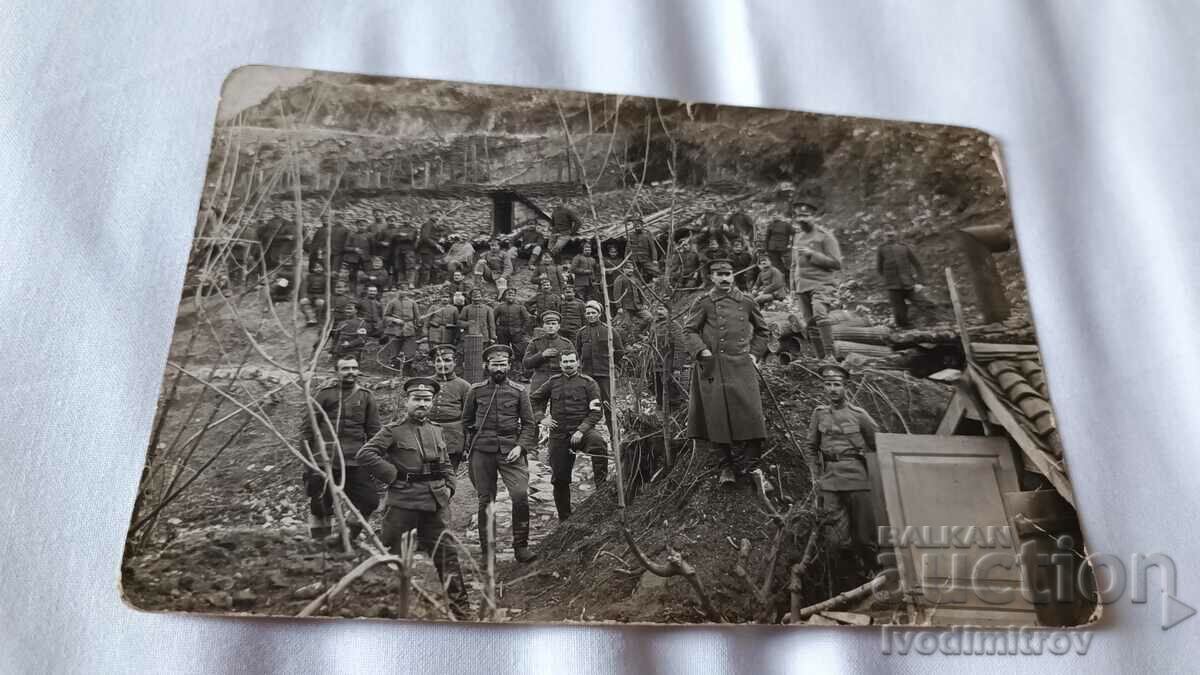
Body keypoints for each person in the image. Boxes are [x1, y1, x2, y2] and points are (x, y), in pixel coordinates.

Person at [356, 377, 469, 617]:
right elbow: (366, 454)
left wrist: (450, 486)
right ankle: (389, 609)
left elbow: (446, 463)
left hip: (435, 505)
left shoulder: (437, 430)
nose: (422, 404)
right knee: (393, 557)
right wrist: (392, 475)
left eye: (427, 400)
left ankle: (461, 611)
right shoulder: (392, 431)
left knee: (447, 555)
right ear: (407, 401)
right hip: (403, 505)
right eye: (417, 399)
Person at [684, 258, 770, 487]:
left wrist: (754, 354)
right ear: (711, 277)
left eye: (728, 273)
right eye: (719, 274)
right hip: (715, 366)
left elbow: (763, 331)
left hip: (742, 365)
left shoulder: (747, 301)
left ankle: (752, 465)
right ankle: (726, 467)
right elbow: (689, 330)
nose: (724, 278)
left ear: (733, 276)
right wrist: (701, 351)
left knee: (751, 413)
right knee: (718, 416)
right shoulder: (704, 303)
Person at [462, 345, 539, 563]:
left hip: (510, 450)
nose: (499, 368)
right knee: (485, 500)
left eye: (503, 364)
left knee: (520, 495)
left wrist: (520, 447)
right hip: (482, 451)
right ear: (486, 366)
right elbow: (466, 421)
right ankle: (488, 552)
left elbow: (529, 424)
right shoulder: (475, 391)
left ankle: (521, 546)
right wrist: (472, 446)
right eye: (495, 364)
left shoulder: (519, 391)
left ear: (509, 365)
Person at [806, 363, 879, 585]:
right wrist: (815, 476)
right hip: (830, 483)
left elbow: (876, 444)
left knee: (865, 538)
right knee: (836, 540)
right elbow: (811, 448)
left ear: (845, 387)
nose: (832, 389)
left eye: (836, 384)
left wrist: (872, 474)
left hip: (857, 480)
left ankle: (875, 574)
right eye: (828, 385)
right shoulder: (818, 415)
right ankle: (848, 581)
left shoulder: (860, 415)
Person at [300, 356, 381, 543]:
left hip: (356, 460)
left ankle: (346, 539)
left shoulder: (366, 396)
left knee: (369, 501)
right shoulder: (324, 395)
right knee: (320, 505)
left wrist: (375, 462)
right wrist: (308, 462)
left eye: (354, 368)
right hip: (325, 460)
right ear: (336, 372)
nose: (351, 372)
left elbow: (375, 432)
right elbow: (307, 430)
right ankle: (320, 545)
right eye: (345, 369)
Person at [529, 349, 607, 519]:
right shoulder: (553, 382)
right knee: (559, 478)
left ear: (578, 363)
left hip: (583, 431)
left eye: (572, 361)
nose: (569, 365)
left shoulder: (589, 383)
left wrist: (581, 429)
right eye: (565, 362)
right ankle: (565, 518)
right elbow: (534, 399)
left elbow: (596, 412)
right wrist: (541, 418)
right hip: (559, 434)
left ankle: (603, 493)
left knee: (599, 443)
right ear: (560, 363)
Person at [794, 215, 843, 359]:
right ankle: (820, 358)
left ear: (814, 217)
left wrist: (812, 254)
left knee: (820, 314)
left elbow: (836, 263)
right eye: (799, 217)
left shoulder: (825, 236)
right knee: (810, 322)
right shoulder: (798, 237)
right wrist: (793, 286)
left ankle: (830, 355)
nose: (803, 220)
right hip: (802, 286)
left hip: (821, 283)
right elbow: (794, 264)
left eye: (806, 216)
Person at [574, 300, 623, 443]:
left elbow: (619, 351)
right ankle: (588, 439)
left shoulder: (609, 330)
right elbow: (577, 352)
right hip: (587, 376)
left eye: (593, 313)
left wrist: (612, 365)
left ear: (600, 314)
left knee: (608, 407)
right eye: (588, 313)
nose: (590, 315)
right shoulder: (581, 332)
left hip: (605, 375)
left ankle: (615, 441)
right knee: (588, 406)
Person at [428, 345, 472, 471]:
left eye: (447, 360)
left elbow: (469, 419)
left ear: (454, 362)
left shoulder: (464, 386)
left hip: (453, 438)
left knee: (448, 475)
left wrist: (467, 446)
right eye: (438, 361)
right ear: (433, 363)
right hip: (427, 435)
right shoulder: (425, 384)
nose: (443, 364)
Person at [875, 226, 926, 328]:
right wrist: (889, 280)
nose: (890, 237)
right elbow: (879, 268)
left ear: (896, 234)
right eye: (887, 235)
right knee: (900, 316)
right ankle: (905, 333)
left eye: (892, 235)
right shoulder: (881, 249)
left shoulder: (904, 247)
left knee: (924, 304)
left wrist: (920, 282)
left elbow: (917, 265)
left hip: (908, 285)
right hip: (893, 287)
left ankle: (925, 324)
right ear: (884, 236)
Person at [523, 311, 574, 393]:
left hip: (560, 378)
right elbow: (526, 364)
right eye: (547, 324)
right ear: (543, 326)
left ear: (558, 326)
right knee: (535, 402)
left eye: (553, 324)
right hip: (540, 378)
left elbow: (576, 365)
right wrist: (542, 355)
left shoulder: (566, 343)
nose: (550, 326)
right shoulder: (535, 342)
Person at [494, 288, 532, 374]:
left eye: (512, 295)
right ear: (505, 296)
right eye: (508, 295)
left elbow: (527, 320)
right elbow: (493, 319)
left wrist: (522, 330)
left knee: (519, 351)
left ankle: (518, 370)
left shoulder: (520, 307)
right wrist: (497, 329)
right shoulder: (500, 307)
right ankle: (504, 369)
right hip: (503, 332)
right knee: (503, 350)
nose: (510, 297)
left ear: (515, 296)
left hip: (517, 332)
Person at [382, 288, 420, 371]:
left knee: (410, 353)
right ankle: (393, 371)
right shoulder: (392, 302)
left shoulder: (412, 303)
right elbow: (385, 317)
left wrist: (418, 327)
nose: (403, 292)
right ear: (397, 291)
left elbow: (418, 318)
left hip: (409, 330)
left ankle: (407, 371)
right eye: (401, 289)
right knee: (394, 353)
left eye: (405, 290)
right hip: (394, 330)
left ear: (408, 291)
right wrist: (395, 320)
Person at [613, 261, 652, 330]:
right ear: (623, 269)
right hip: (626, 307)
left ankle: (637, 331)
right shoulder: (619, 279)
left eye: (632, 268)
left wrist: (644, 303)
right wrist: (619, 307)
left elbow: (641, 292)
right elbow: (617, 294)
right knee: (626, 325)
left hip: (637, 306)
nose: (631, 270)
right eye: (628, 268)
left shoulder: (636, 279)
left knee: (649, 317)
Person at [341, 219, 372, 294]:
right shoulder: (352, 235)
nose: (362, 227)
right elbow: (345, 247)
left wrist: (372, 257)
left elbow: (373, 247)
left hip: (366, 258)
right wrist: (354, 249)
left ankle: (366, 291)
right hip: (353, 259)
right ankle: (352, 292)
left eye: (363, 225)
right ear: (357, 226)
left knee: (369, 275)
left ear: (366, 226)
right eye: (360, 225)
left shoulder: (370, 235)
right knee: (352, 276)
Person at [388, 215, 418, 290]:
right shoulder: (398, 228)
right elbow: (394, 238)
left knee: (410, 266)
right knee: (399, 266)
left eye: (407, 219)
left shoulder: (413, 229)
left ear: (410, 220)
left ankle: (410, 282)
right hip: (399, 250)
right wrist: (403, 236)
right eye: (404, 219)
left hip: (409, 249)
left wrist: (401, 235)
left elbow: (410, 238)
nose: (405, 220)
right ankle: (400, 283)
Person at [763, 217, 796, 285]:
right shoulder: (787, 225)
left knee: (778, 266)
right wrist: (792, 244)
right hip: (781, 248)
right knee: (787, 266)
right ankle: (786, 282)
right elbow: (794, 233)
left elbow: (767, 238)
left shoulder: (772, 225)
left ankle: (783, 282)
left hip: (773, 248)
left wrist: (766, 249)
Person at [414, 218, 444, 288]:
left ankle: (430, 284)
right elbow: (425, 237)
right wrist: (436, 244)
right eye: (437, 215)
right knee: (426, 267)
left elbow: (432, 236)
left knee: (432, 266)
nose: (438, 218)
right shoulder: (428, 224)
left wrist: (439, 240)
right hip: (426, 249)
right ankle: (422, 285)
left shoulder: (434, 226)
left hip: (431, 250)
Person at [300, 261, 329, 326]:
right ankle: (311, 318)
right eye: (316, 268)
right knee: (303, 302)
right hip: (310, 295)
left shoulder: (326, 277)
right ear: (313, 269)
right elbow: (305, 287)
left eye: (320, 267)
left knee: (320, 303)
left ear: (323, 268)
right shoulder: (309, 276)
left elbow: (327, 290)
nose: (318, 269)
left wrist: (324, 297)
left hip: (321, 296)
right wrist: (305, 296)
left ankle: (318, 318)